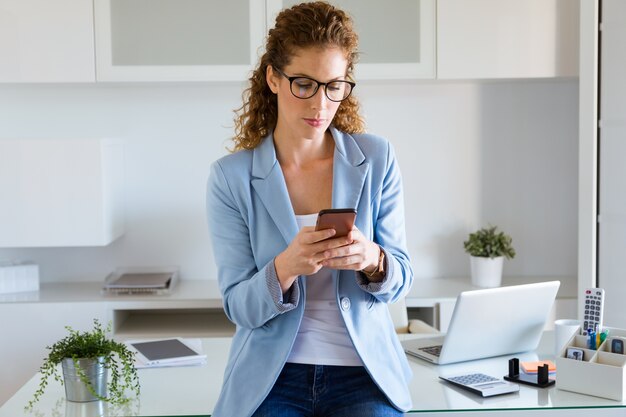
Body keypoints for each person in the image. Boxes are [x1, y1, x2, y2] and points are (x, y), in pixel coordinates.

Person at [206, 2, 414, 416]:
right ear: (273, 78)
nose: (321, 104)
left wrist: (372, 259)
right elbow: (238, 307)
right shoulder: (230, 177)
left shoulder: (376, 158)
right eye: (304, 84)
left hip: (363, 374)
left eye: (334, 85)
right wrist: (284, 267)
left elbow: (402, 278)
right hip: (273, 377)